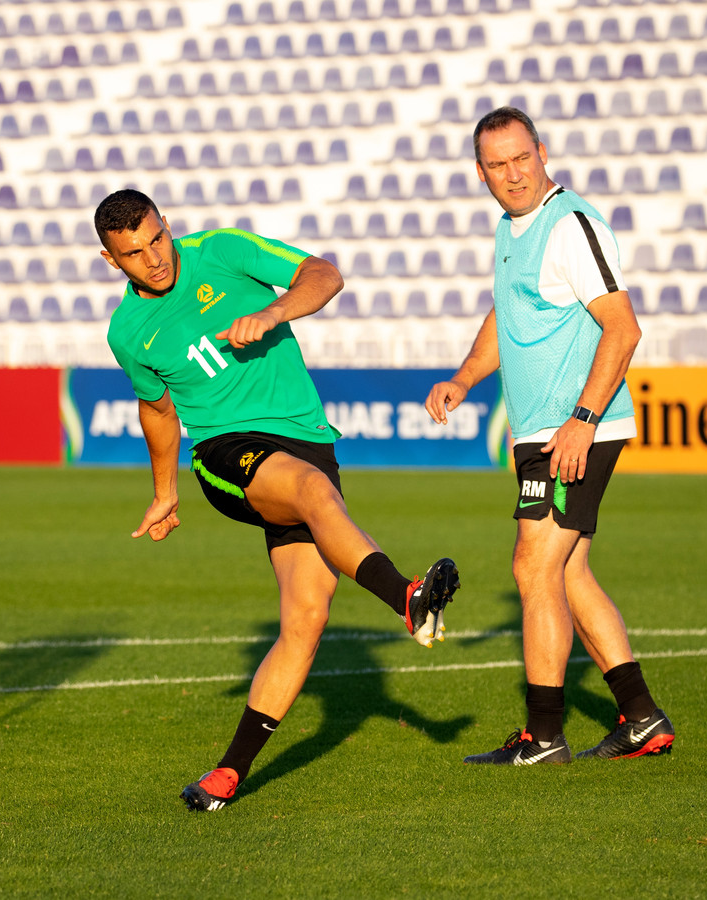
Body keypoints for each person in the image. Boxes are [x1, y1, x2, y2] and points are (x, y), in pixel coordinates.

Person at [95, 190, 460, 810]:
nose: (154, 259)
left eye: (157, 239)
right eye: (133, 253)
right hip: (226, 454)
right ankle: (408, 597)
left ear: (168, 224)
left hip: (306, 441)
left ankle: (226, 775)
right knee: (313, 492)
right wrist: (165, 492)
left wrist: (275, 313)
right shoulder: (128, 332)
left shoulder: (225, 250)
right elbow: (157, 409)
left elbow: (325, 275)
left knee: (306, 620)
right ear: (110, 260)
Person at [424, 108, 673, 765]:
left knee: (532, 567)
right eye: (497, 165)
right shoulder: (512, 229)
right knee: (568, 574)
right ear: (480, 172)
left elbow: (622, 327)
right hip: (543, 429)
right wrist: (465, 378)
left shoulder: (570, 224)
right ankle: (642, 718)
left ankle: (542, 737)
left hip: (576, 429)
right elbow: (508, 309)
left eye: (521, 158)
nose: (512, 174)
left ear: (542, 151)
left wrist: (583, 422)